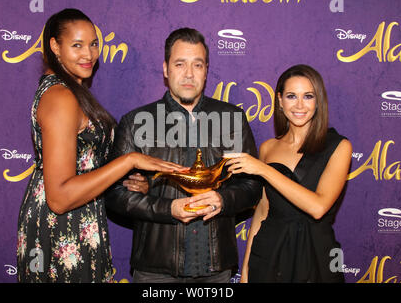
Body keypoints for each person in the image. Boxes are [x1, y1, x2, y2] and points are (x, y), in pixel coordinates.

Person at [16, 8, 184, 283]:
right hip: (60, 226)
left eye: (94, 43)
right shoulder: (60, 97)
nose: (89, 54)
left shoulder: (71, 91)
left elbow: (86, 165)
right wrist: (128, 161)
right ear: (55, 46)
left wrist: (130, 178)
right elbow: (59, 198)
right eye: (77, 45)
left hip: (79, 216)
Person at [106, 27, 263, 283]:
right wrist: (168, 208)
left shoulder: (232, 119)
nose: (189, 74)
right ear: (166, 69)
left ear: (206, 70)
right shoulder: (135, 121)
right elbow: (113, 194)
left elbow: (252, 186)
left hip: (215, 268)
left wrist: (223, 199)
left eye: (197, 65)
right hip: (155, 269)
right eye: (180, 64)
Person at [225, 64, 352, 283]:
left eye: (309, 96)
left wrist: (263, 169)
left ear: (318, 102)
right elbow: (263, 210)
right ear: (280, 101)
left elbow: (318, 207)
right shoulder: (268, 148)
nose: (300, 105)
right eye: (292, 96)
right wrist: (246, 269)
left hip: (316, 254)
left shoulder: (339, 146)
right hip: (270, 252)